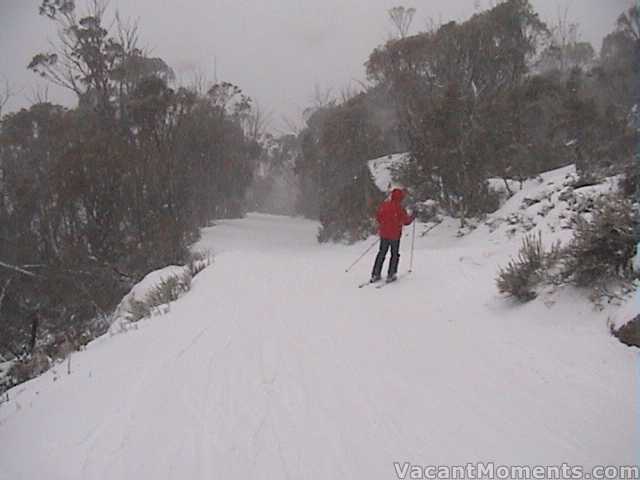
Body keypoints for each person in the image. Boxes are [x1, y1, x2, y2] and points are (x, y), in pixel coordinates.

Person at [371, 188, 415, 283]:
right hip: (395, 235)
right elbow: (406, 221)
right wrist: (412, 217)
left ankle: (375, 274)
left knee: (381, 253)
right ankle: (391, 274)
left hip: (384, 234)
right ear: (400, 198)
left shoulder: (384, 205)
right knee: (394, 254)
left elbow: (378, 217)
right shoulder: (400, 208)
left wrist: (384, 225)